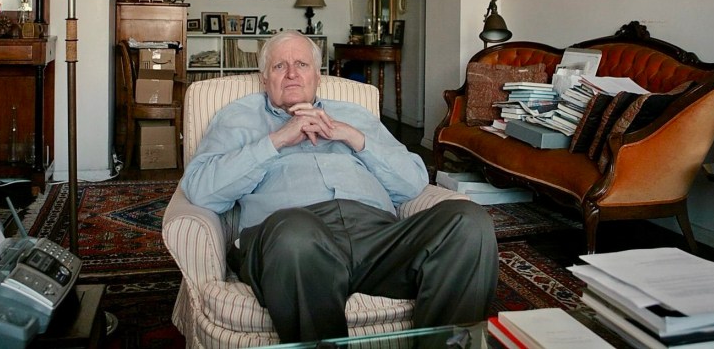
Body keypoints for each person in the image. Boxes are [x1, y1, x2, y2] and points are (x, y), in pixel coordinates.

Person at [181, 30, 498, 342]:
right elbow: (200, 190)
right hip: (289, 242)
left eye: (301, 64)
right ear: (264, 78)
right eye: (279, 66)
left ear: (317, 76)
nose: (291, 73)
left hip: (376, 237)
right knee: (296, 231)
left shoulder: (354, 115)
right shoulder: (238, 118)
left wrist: (353, 137)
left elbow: (412, 183)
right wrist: (276, 141)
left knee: (469, 222)